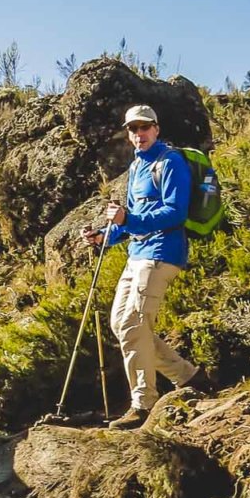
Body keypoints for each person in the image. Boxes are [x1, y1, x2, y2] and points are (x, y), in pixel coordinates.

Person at [83, 104, 209, 429]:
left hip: (162, 254)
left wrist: (130, 219)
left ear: (156, 129)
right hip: (137, 255)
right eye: (133, 129)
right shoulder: (138, 167)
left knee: (131, 325)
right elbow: (128, 223)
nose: (138, 135)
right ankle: (190, 376)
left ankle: (143, 403)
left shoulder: (170, 162)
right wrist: (104, 236)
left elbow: (175, 212)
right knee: (121, 325)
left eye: (144, 128)